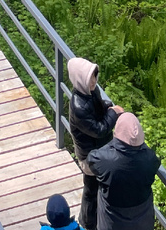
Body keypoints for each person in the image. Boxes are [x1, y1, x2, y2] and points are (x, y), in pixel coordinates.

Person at [69, 57, 123, 230]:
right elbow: (99, 129)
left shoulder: (91, 91)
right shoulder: (78, 107)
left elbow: (98, 107)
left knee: (98, 187)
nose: (93, 81)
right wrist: (113, 114)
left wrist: (108, 107)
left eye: (94, 75)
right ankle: (88, 223)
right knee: (91, 190)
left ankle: (94, 220)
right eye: (89, 77)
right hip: (89, 156)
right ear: (80, 80)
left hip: (99, 149)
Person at [87, 113, 161, 230]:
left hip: (112, 222)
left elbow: (91, 159)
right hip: (142, 221)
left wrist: (114, 144)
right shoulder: (150, 159)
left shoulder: (105, 159)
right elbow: (155, 162)